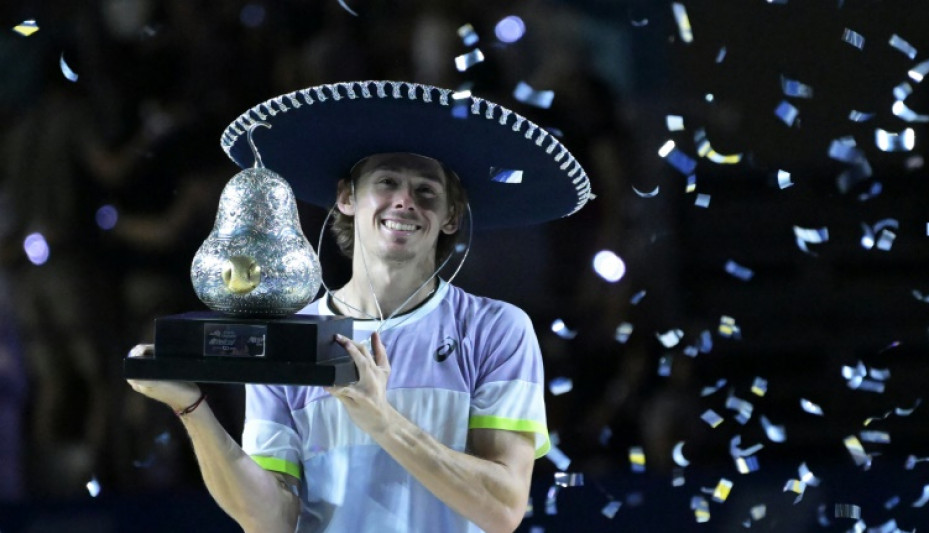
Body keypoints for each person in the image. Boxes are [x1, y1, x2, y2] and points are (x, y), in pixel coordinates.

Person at [128, 80, 592, 532]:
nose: (405, 201)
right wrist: (191, 407)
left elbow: (503, 510)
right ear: (347, 197)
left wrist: (382, 421)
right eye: (387, 182)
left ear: (451, 216)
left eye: (427, 190)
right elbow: (270, 520)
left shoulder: (496, 330)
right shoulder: (289, 337)